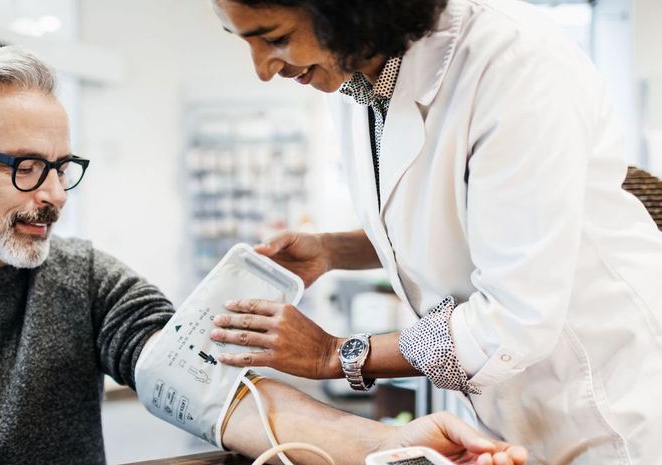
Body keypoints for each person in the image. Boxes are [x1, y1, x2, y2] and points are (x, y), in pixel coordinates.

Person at [0, 45, 527, 465]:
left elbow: (217, 394)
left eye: (60, 166)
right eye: (23, 167)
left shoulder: (82, 280)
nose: (52, 195)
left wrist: (390, 447)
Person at [208, 0, 662, 464]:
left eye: (277, 38)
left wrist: (336, 354)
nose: (263, 69)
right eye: (242, 39)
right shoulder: (356, 83)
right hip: (508, 409)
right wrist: (333, 251)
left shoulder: (513, 64)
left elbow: (515, 318)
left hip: (610, 407)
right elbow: (453, 219)